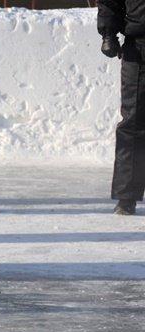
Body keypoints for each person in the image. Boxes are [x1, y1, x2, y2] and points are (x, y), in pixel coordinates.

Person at [99, 0, 144, 215]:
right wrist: (108, 34)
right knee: (133, 122)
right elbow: (110, 1)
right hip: (139, 47)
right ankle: (127, 196)